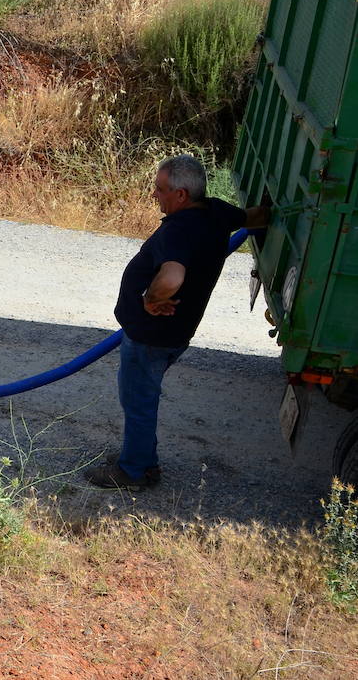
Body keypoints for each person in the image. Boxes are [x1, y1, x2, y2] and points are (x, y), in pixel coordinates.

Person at [86, 154, 269, 491]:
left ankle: (133, 472)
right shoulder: (216, 212)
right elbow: (256, 217)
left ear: (181, 195)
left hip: (151, 336)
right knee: (142, 396)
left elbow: (171, 277)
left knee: (138, 401)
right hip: (175, 334)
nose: (154, 195)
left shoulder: (179, 231)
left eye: (160, 189)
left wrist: (149, 300)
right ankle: (144, 461)